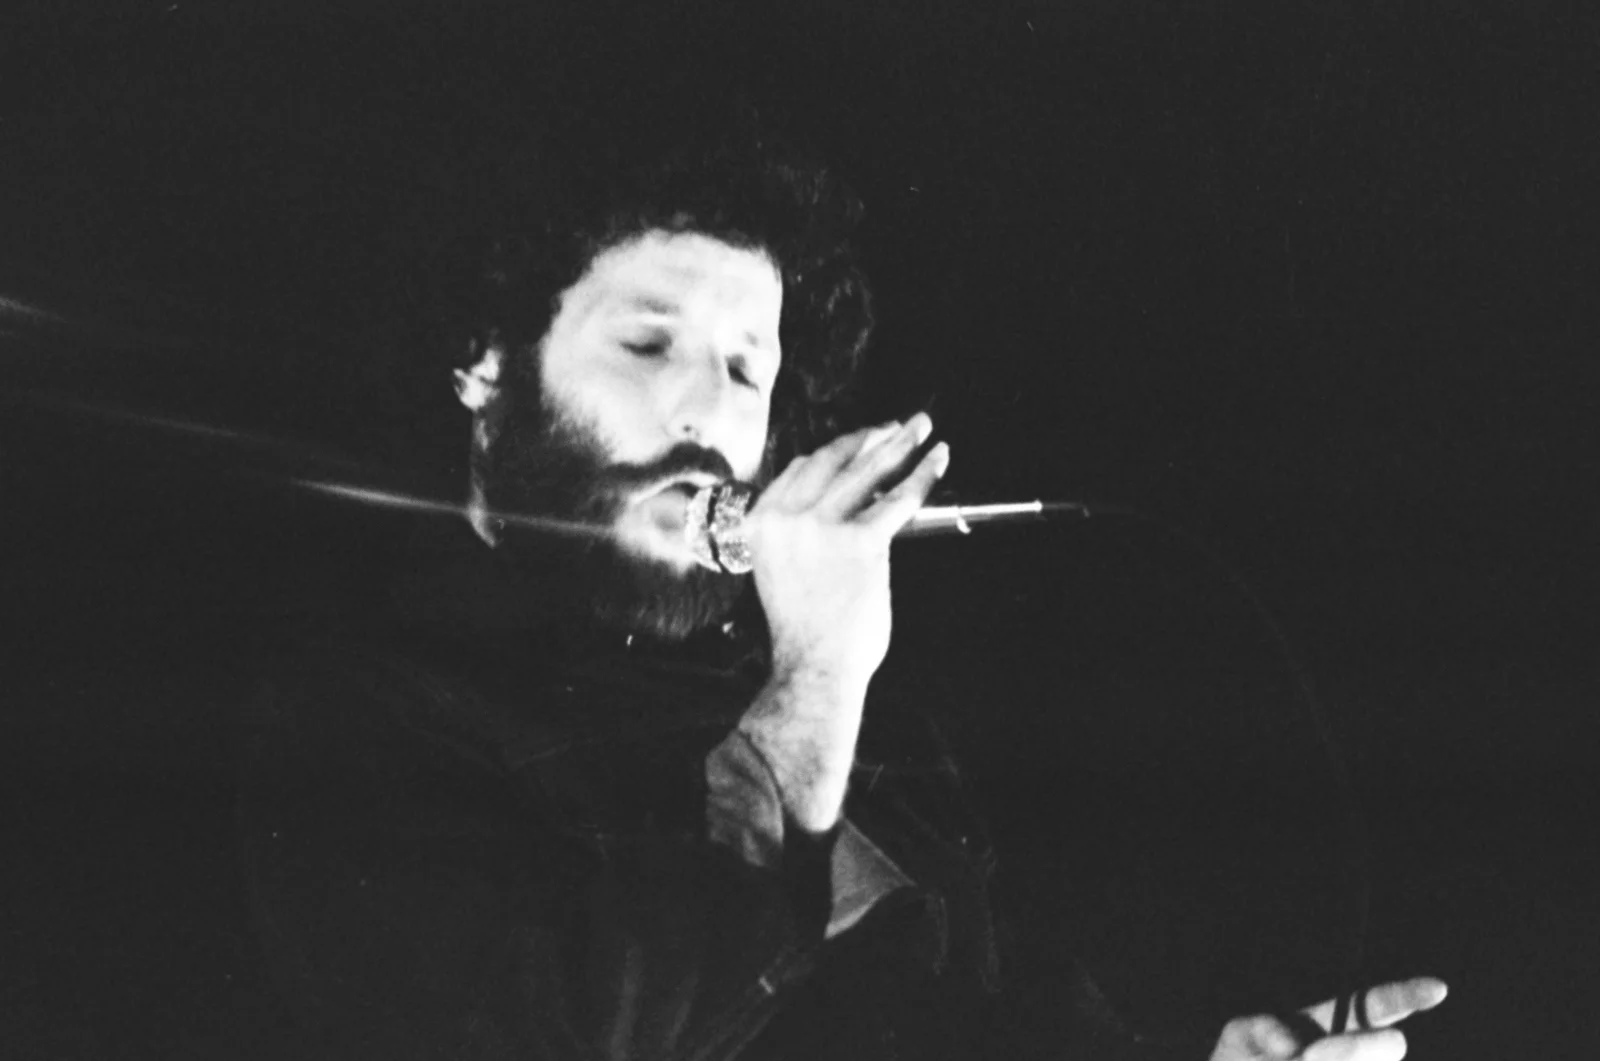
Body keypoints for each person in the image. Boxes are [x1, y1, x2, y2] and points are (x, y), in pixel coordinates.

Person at [235, 116, 1446, 1060]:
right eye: (647, 343)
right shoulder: (360, 706)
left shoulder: (868, 728)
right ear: (486, 363)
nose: (706, 414)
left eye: (746, 369)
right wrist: (815, 677)